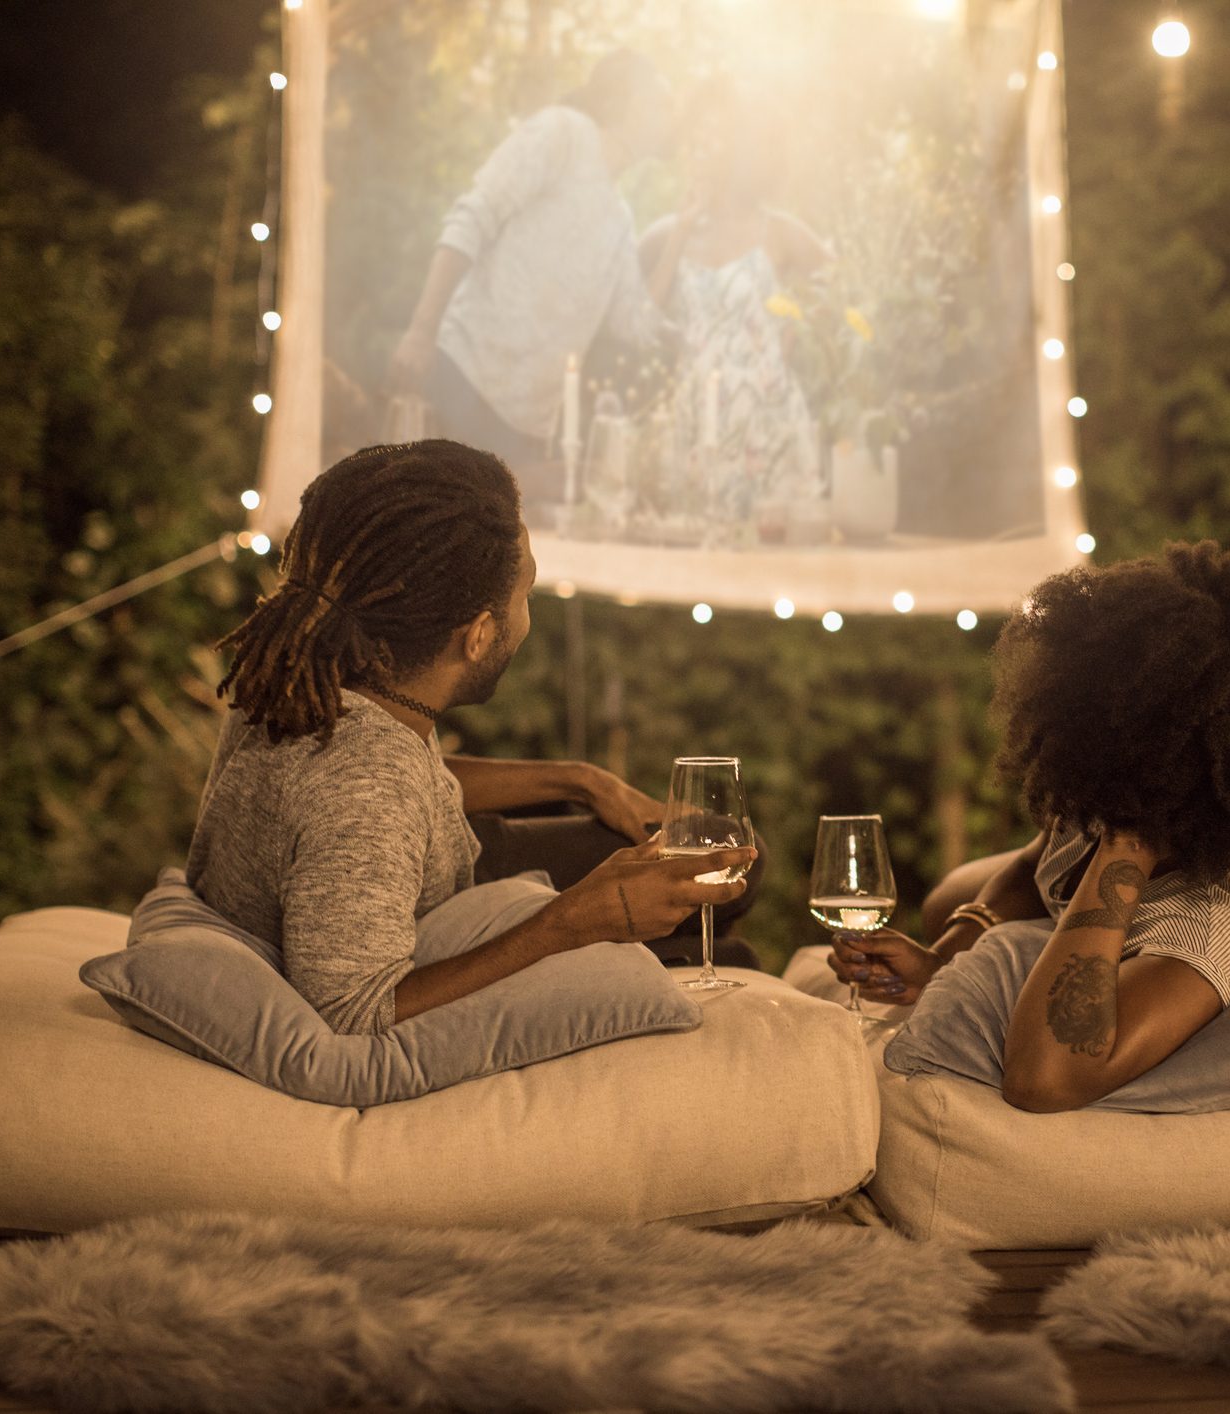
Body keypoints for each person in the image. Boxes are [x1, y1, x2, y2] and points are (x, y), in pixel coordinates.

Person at [187, 439, 757, 1034]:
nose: (528, 614)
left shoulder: (307, 674)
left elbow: (370, 791)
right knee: (732, 927)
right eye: (526, 594)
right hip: (411, 916)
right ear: (479, 635)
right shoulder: (368, 786)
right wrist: (574, 921)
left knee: (727, 851)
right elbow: (355, 1012)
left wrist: (581, 781)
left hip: (417, 874)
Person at [828, 543, 1230, 1111]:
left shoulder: (1224, 914)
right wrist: (942, 958)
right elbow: (1037, 858)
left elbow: (1044, 1080)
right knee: (948, 901)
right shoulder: (1110, 768)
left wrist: (1128, 843)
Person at [388, 52, 674, 493]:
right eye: (662, 103)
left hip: (525, 435)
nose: (670, 117)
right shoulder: (563, 133)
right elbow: (473, 217)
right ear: (634, 100)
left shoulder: (620, 218)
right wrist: (421, 331)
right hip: (461, 381)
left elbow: (633, 324)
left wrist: (680, 236)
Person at [639, 77, 830, 523]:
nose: (703, 147)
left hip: (769, 417)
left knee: (771, 561)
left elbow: (844, 299)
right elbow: (644, 323)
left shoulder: (778, 230)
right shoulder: (669, 233)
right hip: (696, 419)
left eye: (717, 135)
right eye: (698, 135)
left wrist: (798, 330)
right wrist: (682, 230)